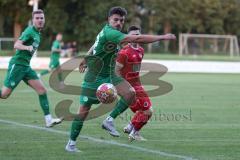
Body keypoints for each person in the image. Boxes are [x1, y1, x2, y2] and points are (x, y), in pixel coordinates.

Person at [65, 6, 175, 152]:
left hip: (110, 76)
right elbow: (137, 38)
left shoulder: (108, 31)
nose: (118, 23)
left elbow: (95, 43)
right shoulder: (111, 33)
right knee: (83, 112)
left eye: (121, 20)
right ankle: (71, 144)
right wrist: (161, 37)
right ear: (108, 20)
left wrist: (86, 58)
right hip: (93, 79)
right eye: (115, 20)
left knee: (130, 93)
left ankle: (109, 121)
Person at [0, 9, 63, 127]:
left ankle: (48, 120)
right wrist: (26, 47)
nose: (40, 20)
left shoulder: (38, 34)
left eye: (42, 18)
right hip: (18, 65)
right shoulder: (29, 31)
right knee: (4, 95)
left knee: (42, 90)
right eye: (37, 18)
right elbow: (17, 44)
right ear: (33, 20)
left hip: (26, 67)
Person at [115, 25, 152, 141]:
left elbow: (136, 70)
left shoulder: (141, 50)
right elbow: (116, 71)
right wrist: (123, 88)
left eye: (138, 34)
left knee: (144, 110)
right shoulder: (124, 52)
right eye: (133, 35)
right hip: (129, 88)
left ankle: (130, 127)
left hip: (138, 85)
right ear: (129, 37)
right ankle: (134, 133)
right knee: (148, 111)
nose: (136, 37)